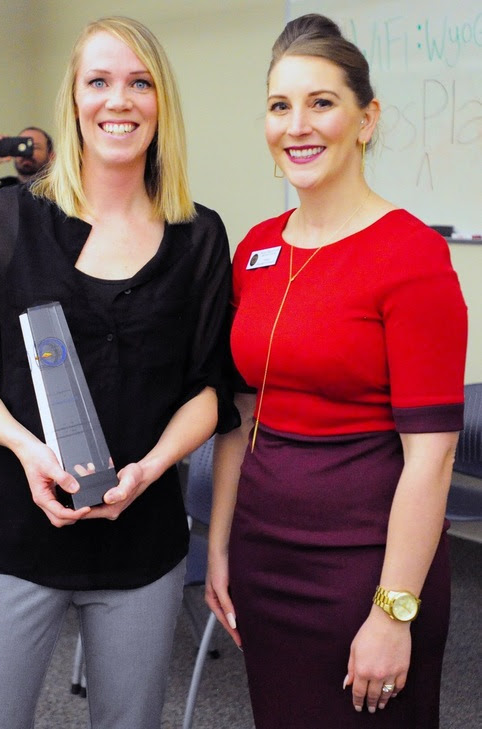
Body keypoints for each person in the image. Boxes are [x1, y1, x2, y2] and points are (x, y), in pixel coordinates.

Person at [0, 16, 234, 729]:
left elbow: (211, 391)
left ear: (162, 103)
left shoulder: (199, 237)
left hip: (141, 545)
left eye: (139, 82)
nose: (117, 100)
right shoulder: (7, 219)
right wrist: (29, 450)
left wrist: (150, 469)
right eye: (98, 81)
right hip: (13, 535)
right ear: (74, 99)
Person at [206, 13, 467, 729]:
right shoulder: (257, 248)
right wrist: (222, 546)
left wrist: (393, 612)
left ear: (366, 118)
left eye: (321, 102)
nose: (299, 125)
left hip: (366, 569)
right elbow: (242, 411)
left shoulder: (411, 254)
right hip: (264, 557)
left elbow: (434, 454)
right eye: (280, 105)